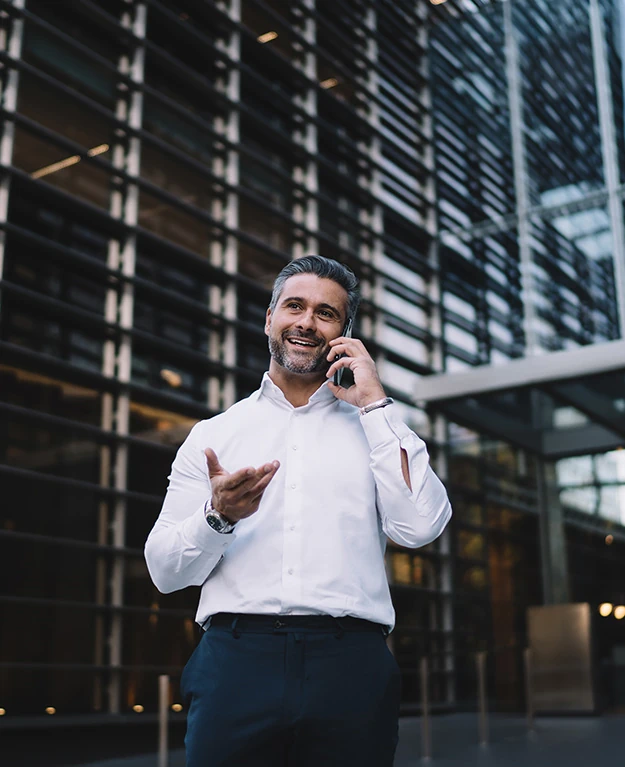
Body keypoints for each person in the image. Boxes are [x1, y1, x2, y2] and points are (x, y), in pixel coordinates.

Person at [145, 255, 452, 767]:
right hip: (235, 663)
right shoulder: (214, 435)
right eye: (294, 306)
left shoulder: (375, 427)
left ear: (342, 335)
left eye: (325, 313)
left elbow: (420, 526)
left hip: (350, 665)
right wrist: (217, 517)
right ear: (270, 319)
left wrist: (375, 404)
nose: (307, 321)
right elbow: (163, 572)